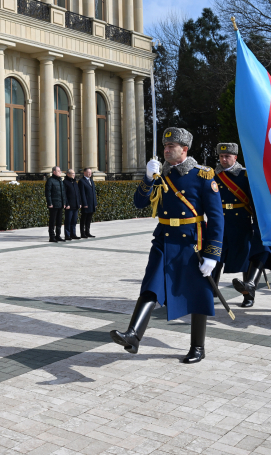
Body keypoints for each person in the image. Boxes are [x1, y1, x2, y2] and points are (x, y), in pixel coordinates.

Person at [111, 127, 224, 364]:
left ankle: (197, 347)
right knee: (150, 287)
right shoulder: (161, 174)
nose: (166, 150)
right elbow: (139, 203)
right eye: (165, 146)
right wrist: (147, 178)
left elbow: (216, 217)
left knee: (198, 295)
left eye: (171, 146)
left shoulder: (202, 175)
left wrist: (212, 254)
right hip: (164, 239)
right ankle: (133, 335)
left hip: (192, 242)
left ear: (184, 149)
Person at [213, 143, 254, 285]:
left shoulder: (245, 174)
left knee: (245, 256)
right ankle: (212, 289)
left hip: (240, 222)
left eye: (227, 156)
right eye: (221, 156)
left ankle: (248, 292)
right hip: (220, 221)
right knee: (215, 255)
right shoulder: (213, 175)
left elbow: (253, 200)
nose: (223, 159)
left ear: (235, 157)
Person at [45, 166, 66, 242]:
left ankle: (58, 235)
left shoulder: (60, 180)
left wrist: (64, 203)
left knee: (59, 221)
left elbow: (63, 193)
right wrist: (49, 203)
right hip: (53, 204)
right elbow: (48, 193)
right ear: (54, 172)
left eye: (60, 171)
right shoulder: (50, 180)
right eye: (58, 171)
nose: (60, 172)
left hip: (60, 204)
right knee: (52, 221)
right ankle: (52, 236)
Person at [78, 167, 97, 238]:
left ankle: (87, 232)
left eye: (90, 172)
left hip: (91, 203)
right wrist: (84, 203)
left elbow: (93, 193)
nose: (90, 174)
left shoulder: (91, 181)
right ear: (84, 173)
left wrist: (95, 203)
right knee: (84, 219)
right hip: (86, 204)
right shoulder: (81, 181)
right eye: (88, 172)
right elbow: (82, 194)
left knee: (89, 219)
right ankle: (82, 233)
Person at [63, 169, 80, 240]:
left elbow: (78, 194)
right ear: (68, 174)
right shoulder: (65, 182)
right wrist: (67, 204)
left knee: (74, 221)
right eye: (72, 173)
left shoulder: (75, 182)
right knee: (68, 221)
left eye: (74, 173)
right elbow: (64, 194)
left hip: (76, 205)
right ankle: (67, 235)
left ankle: (73, 234)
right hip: (69, 206)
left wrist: (79, 203)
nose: (74, 174)